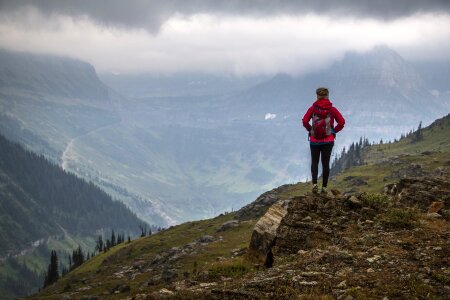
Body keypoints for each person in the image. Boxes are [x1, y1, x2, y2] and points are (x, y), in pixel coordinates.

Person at [302, 87, 345, 194]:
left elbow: (304, 121)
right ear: (327, 96)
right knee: (325, 164)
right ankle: (324, 188)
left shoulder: (312, 109)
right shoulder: (332, 109)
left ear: (317, 96)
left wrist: (310, 130)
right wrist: (334, 131)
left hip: (314, 140)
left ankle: (315, 185)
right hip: (328, 141)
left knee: (314, 162)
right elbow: (342, 122)